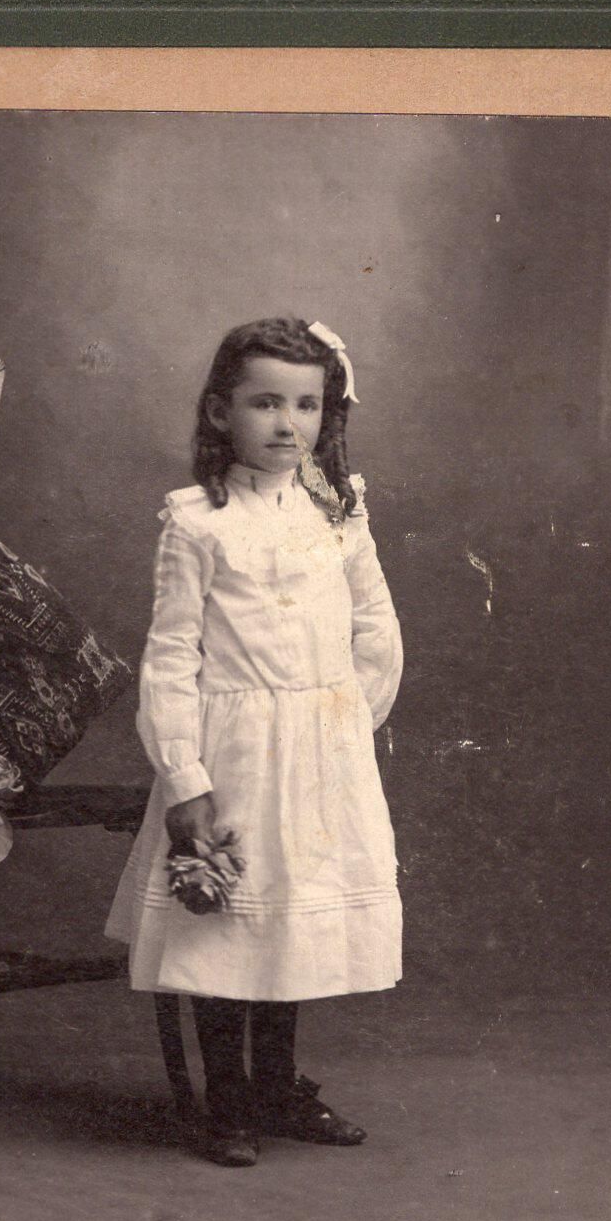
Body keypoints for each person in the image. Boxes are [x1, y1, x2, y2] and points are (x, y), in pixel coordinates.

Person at [105, 316, 403, 1166]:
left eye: (306, 405)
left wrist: (342, 724)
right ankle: (227, 1096)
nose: (286, 423)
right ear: (219, 412)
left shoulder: (337, 512)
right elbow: (170, 658)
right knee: (225, 921)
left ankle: (276, 1085)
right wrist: (184, 775)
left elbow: (376, 623)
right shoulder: (198, 522)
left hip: (318, 750)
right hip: (232, 750)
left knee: (288, 919)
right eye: (265, 403)